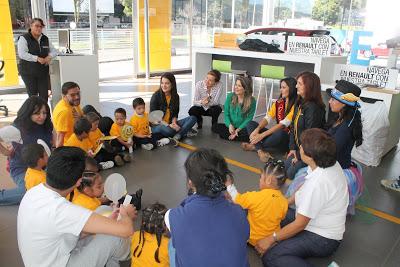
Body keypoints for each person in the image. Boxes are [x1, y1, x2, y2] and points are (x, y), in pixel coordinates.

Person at [17, 146, 137, 267]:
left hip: (51, 257)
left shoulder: (34, 192)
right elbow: (126, 230)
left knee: (101, 211)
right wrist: (126, 216)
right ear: (79, 181)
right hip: (62, 262)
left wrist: (109, 222)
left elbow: (66, 233)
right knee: (115, 238)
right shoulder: (61, 209)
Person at [256, 129, 349, 267]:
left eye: (302, 146)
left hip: (322, 238)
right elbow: (303, 188)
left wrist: (271, 238)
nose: (299, 147)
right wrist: (284, 203)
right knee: (269, 209)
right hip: (313, 221)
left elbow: (300, 224)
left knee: (271, 257)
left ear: (310, 156)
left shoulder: (318, 183)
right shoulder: (326, 163)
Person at [286, 80, 364, 215]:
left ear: (345, 104)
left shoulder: (346, 127)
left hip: (334, 168)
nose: (330, 102)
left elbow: (328, 150)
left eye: (334, 100)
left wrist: (302, 156)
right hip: (329, 163)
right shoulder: (339, 117)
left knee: (302, 187)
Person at [165, 148, 250, 267]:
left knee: (172, 244)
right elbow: (243, 237)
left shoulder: (172, 216)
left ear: (190, 182)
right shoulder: (239, 212)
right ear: (224, 180)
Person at [0, 96, 52, 205]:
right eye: (37, 113)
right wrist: (6, 152)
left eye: (44, 113)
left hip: (43, 166)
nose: (42, 116)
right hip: (23, 169)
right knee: (32, 191)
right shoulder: (16, 129)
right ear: (28, 113)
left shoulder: (46, 125)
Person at [225, 159, 288, 247]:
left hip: (253, 239)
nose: (259, 180)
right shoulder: (284, 202)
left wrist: (229, 185)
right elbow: (282, 217)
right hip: (271, 240)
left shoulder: (255, 197)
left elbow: (236, 199)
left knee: (239, 211)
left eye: (261, 177)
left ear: (268, 180)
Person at [242, 77, 297, 162]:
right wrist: (258, 129)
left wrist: (262, 135)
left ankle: (255, 146)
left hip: (287, 138)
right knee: (250, 124)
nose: (281, 90)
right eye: (280, 87)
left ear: (292, 89)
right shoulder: (279, 103)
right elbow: (268, 118)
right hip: (276, 133)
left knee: (280, 133)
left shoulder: (296, 105)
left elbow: (283, 124)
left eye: (283, 87)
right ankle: (260, 151)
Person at [284, 71, 326, 180]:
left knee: (290, 174)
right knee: (284, 169)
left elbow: (310, 137)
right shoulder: (300, 102)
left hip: (310, 153)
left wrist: (299, 155)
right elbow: (293, 126)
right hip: (299, 150)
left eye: (299, 84)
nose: (296, 86)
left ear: (309, 87)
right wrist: (292, 148)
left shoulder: (313, 108)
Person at [150, 72, 197, 144]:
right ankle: (182, 132)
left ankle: (177, 136)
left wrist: (174, 123)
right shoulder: (156, 96)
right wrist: (168, 125)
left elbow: (175, 113)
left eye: (167, 83)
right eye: (162, 83)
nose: (164, 86)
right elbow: (154, 119)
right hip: (158, 125)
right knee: (169, 131)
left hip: (170, 124)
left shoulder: (175, 96)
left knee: (193, 118)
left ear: (172, 84)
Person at [18, 18, 57, 102]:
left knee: (44, 96)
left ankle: (45, 114)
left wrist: (49, 57)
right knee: (33, 96)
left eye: (41, 26)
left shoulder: (45, 39)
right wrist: (37, 58)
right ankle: (34, 114)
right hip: (28, 71)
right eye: (36, 26)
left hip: (42, 71)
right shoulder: (24, 38)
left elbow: (54, 51)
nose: (39, 28)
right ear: (31, 26)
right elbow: (22, 54)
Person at [212, 76, 256, 142]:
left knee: (251, 129)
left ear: (245, 88)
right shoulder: (230, 96)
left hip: (242, 128)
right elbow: (226, 114)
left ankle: (233, 136)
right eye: (236, 84)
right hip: (230, 127)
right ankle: (239, 137)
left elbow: (249, 118)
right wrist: (229, 125)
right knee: (214, 127)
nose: (236, 87)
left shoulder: (252, 100)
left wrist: (238, 129)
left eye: (239, 86)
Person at [53, 81, 83, 147]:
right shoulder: (64, 112)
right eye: (72, 95)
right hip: (72, 146)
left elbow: (82, 116)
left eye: (78, 93)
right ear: (64, 96)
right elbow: (60, 140)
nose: (77, 97)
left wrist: (80, 119)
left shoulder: (73, 103)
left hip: (79, 134)